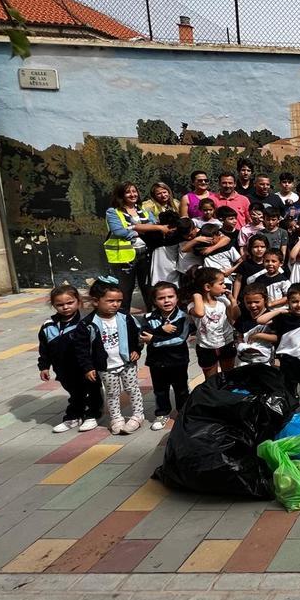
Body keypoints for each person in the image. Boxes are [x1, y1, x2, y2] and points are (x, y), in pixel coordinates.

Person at [75, 278, 144, 435]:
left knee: (132, 389)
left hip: (127, 363)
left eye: (119, 301)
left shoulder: (125, 317)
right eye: (110, 301)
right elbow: (82, 349)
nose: (116, 304)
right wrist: (88, 367)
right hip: (105, 367)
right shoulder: (87, 324)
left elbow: (137, 335)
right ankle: (116, 418)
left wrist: (136, 350)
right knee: (112, 393)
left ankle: (138, 415)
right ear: (96, 301)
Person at [38, 283, 101, 433]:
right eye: (60, 304)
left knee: (92, 390)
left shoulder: (87, 321)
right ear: (53, 305)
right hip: (63, 369)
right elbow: (44, 349)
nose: (65, 307)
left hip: (86, 367)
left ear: (78, 301)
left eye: (70, 302)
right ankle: (74, 416)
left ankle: (92, 414)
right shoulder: (48, 326)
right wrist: (44, 367)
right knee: (75, 392)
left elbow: (96, 344)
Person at [104, 181, 168, 313]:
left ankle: (152, 317)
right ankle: (123, 318)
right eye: (128, 192)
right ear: (121, 195)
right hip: (125, 258)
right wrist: (142, 230)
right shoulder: (113, 212)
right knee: (125, 291)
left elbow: (154, 227)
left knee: (149, 288)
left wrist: (134, 228)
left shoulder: (144, 211)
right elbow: (119, 231)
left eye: (134, 191)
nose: (132, 194)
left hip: (145, 254)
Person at [139, 281, 190, 431]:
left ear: (177, 298)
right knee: (160, 389)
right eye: (161, 298)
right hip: (157, 361)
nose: (166, 301)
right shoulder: (148, 317)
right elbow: (143, 335)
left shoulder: (183, 317)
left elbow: (180, 339)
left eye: (170, 296)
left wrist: (154, 339)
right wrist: (162, 330)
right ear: (154, 301)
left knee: (181, 388)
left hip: (178, 361)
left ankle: (183, 412)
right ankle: (162, 413)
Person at [272, 283, 300, 414]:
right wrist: (279, 310)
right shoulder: (283, 317)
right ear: (288, 302)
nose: (299, 305)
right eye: (294, 301)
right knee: (288, 387)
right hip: (287, 359)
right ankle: (290, 410)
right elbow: (261, 320)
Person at [188, 267, 235, 378]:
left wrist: (232, 300)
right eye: (221, 283)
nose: (224, 286)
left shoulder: (223, 301)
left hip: (227, 343)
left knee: (229, 377)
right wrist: (197, 295)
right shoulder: (192, 306)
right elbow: (200, 313)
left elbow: (235, 316)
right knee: (211, 380)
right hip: (206, 347)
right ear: (207, 287)